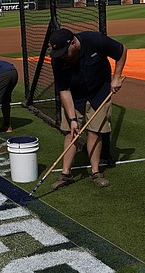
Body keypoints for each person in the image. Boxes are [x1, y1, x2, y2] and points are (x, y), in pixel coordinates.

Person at [48, 27, 127, 189]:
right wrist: (72, 119)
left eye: (64, 52)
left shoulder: (94, 40)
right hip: (74, 95)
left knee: (94, 131)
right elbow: (64, 90)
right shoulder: (57, 60)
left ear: (73, 43)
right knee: (72, 132)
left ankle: (95, 172)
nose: (62, 56)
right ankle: (65, 174)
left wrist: (117, 77)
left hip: (99, 91)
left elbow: (121, 51)